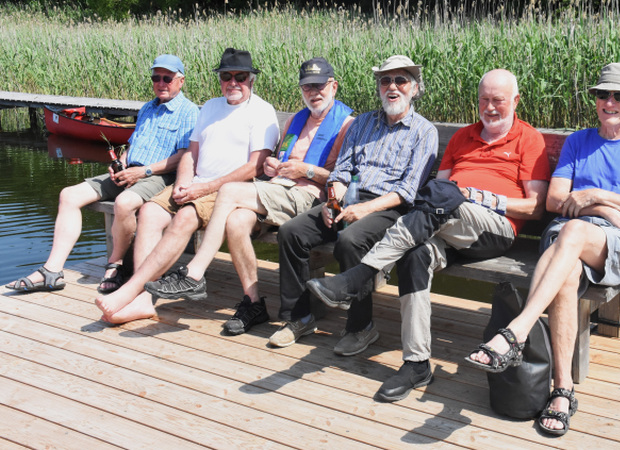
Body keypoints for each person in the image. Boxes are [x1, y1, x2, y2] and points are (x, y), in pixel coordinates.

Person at [306, 69, 551, 402]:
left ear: (516, 101)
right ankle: (417, 364)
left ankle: (359, 275)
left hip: (493, 228)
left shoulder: (529, 139)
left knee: (446, 199)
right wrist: (451, 197)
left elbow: (535, 208)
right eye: (484, 100)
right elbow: (436, 193)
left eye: (498, 100)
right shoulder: (463, 137)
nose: (490, 107)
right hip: (445, 224)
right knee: (415, 255)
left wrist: (481, 198)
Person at [466, 63, 620, 436]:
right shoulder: (578, 142)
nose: (609, 101)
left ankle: (517, 331)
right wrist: (602, 209)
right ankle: (563, 391)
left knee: (574, 231)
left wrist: (594, 196)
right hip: (566, 237)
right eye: (603, 94)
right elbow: (556, 200)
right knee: (567, 271)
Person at [143, 57, 354, 335]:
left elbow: (347, 179)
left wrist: (307, 170)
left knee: (229, 191)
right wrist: (272, 165)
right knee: (236, 221)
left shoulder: (347, 125)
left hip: (309, 198)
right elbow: (278, 161)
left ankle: (194, 273)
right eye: (307, 87)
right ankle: (253, 304)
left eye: (319, 86)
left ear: (333, 86)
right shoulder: (295, 120)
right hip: (277, 190)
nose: (313, 92)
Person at [268, 55, 438, 354]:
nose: (392, 87)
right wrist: (332, 201)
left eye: (400, 80)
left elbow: (407, 191)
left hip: (390, 208)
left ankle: (361, 327)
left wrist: (364, 209)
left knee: (350, 240)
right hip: (348, 199)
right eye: (385, 81)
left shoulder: (424, 132)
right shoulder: (363, 123)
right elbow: (342, 171)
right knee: (292, 232)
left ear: (414, 88)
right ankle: (299, 318)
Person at [94, 48, 280, 323]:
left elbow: (255, 166)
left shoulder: (262, 112)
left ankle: (132, 293)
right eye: (226, 76)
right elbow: (191, 154)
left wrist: (204, 189)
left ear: (251, 79)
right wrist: (183, 183)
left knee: (184, 217)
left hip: (229, 190)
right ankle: (143, 298)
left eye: (240, 77)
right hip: (194, 183)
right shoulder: (210, 107)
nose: (232, 82)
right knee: (150, 212)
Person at [5, 54, 199, 295]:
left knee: (124, 202)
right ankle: (52, 271)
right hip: (130, 171)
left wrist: (143, 171)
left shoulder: (189, 112)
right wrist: (121, 163)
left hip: (160, 176)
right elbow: (133, 145)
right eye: (156, 78)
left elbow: (184, 156)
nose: (161, 83)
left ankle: (115, 265)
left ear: (181, 81)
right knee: (69, 195)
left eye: (167, 78)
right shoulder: (148, 108)